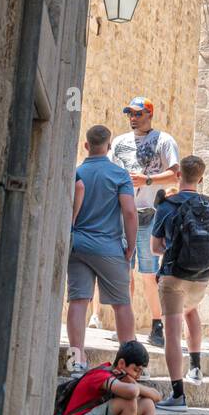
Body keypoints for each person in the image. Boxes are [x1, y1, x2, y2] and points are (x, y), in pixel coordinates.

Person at [150, 155, 209, 410]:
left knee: (171, 332)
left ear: (178, 175)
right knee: (191, 311)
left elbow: (156, 248)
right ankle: (196, 368)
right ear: (200, 178)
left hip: (174, 275)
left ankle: (178, 394)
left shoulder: (167, 206)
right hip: (202, 276)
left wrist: (172, 247)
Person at [110, 97, 180, 347]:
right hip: (120, 213)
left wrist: (146, 180)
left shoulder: (164, 140)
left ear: (149, 114)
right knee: (122, 271)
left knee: (149, 273)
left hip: (149, 214)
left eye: (138, 113)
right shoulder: (118, 143)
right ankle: (124, 325)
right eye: (130, 113)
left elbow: (175, 174)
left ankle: (156, 324)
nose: (133, 117)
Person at [66, 125, 137, 372]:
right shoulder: (119, 175)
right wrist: (131, 245)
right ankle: (130, 363)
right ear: (108, 147)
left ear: (87, 145)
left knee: (78, 302)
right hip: (109, 247)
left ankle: (76, 360)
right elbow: (129, 212)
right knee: (121, 304)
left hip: (78, 246)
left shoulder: (76, 173)